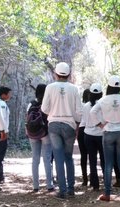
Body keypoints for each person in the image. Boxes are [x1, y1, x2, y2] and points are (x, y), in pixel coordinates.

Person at [41, 62, 82, 199]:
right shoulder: (74, 89)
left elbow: (44, 109)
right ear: (69, 75)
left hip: (53, 125)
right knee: (68, 157)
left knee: (58, 158)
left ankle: (62, 191)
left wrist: (54, 112)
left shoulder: (50, 87)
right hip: (69, 125)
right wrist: (75, 122)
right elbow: (79, 111)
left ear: (55, 74)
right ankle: (71, 189)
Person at [27, 84, 54, 192]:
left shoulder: (31, 104)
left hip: (32, 134)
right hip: (45, 133)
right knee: (47, 159)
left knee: (35, 159)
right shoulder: (48, 104)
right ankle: (49, 185)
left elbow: (27, 119)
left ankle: (35, 186)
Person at [81, 83, 104, 190]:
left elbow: (84, 121)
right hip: (101, 135)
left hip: (88, 135)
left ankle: (95, 184)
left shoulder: (85, 106)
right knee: (104, 159)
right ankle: (106, 181)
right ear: (101, 94)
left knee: (92, 159)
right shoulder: (103, 105)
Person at [0, 86, 12, 183]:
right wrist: (4, 131)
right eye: (9, 94)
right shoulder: (2, 104)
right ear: (3, 94)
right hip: (0, 132)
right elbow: (2, 119)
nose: (10, 96)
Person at [77, 89, 90, 186]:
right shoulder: (96, 105)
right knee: (93, 155)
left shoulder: (82, 106)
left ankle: (85, 178)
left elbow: (77, 119)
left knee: (83, 155)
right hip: (92, 130)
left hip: (82, 130)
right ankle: (94, 177)